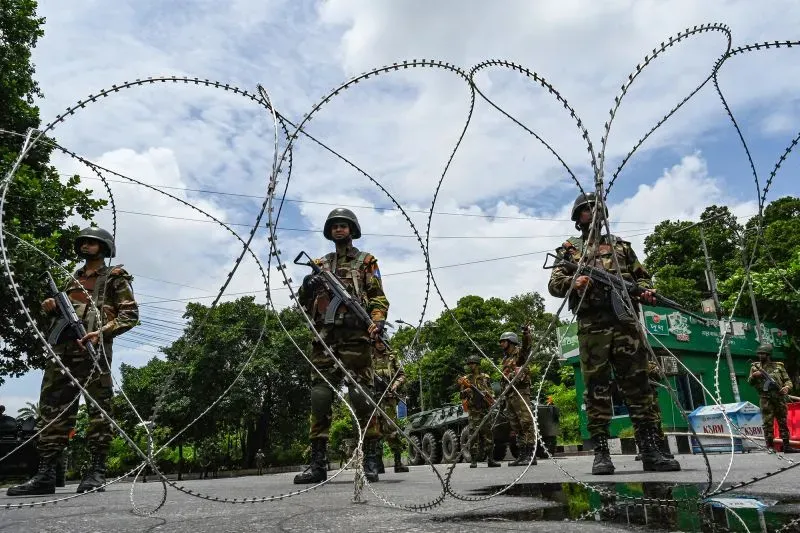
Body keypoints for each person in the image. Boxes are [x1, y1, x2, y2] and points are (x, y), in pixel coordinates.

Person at [547, 192, 680, 474]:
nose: (593, 212)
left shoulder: (622, 247)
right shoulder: (570, 250)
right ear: (577, 217)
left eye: (597, 208)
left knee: (639, 385)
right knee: (597, 388)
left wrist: (646, 290)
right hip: (593, 327)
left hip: (626, 325)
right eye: (586, 209)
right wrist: (575, 281)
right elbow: (554, 283)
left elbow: (643, 276)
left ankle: (650, 449)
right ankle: (601, 453)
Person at [8, 227, 139, 496]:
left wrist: (101, 332)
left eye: (92, 243)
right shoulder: (72, 280)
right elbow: (64, 313)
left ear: (104, 248)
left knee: (98, 412)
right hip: (62, 352)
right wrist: (51, 306)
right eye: (83, 242)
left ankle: (96, 472)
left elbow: (130, 315)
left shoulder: (114, 278)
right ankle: (45, 473)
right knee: (52, 411)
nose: (86, 246)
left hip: (94, 353)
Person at [293, 208, 388, 484]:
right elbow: (303, 300)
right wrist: (307, 285)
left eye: (344, 225)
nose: (338, 229)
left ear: (352, 229)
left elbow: (378, 297)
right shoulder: (320, 264)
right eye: (334, 225)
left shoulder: (366, 261)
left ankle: (371, 459)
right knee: (320, 399)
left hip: (356, 338)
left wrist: (378, 323)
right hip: (325, 340)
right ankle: (318, 463)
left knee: (361, 397)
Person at [498, 328, 537, 466]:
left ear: (511, 342)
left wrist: (526, 335)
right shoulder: (505, 359)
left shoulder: (519, 354)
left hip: (520, 392)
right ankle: (522, 454)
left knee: (526, 422)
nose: (501, 344)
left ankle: (531, 454)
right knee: (516, 425)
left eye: (504, 341)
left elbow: (527, 347)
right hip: (509, 395)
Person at [748, 343, 796, 453]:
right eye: (759, 354)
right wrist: (754, 376)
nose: (760, 356)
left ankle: (786, 446)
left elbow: (787, 380)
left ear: (768, 354)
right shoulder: (755, 367)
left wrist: (786, 388)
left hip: (779, 398)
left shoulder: (779, 366)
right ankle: (770, 446)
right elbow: (750, 382)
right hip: (765, 398)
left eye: (763, 354)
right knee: (767, 423)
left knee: (783, 421)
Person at [372, 338, 409, 473]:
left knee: (391, 429)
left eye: (383, 341)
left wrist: (395, 385)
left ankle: (398, 462)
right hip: (373, 399)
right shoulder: (368, 357)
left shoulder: (392, 358)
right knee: (375, 431)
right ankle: (377, 463)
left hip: (389, 398)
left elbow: (402, 375)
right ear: (374, 343)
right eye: (378, 341)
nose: (380, 343)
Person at [457, 355, 501, 468]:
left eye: (473, 363)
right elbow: (461, 396)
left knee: (488, 434)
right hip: (474, 410)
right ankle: (473, 460)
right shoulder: (466, 379)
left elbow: (491, 391)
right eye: (469, 364)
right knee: (473, 434)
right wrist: (466, 391)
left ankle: (490, 459)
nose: (471, 366)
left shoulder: (485, 377)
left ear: (477, 365)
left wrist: (488, 395)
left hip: (485, 409)